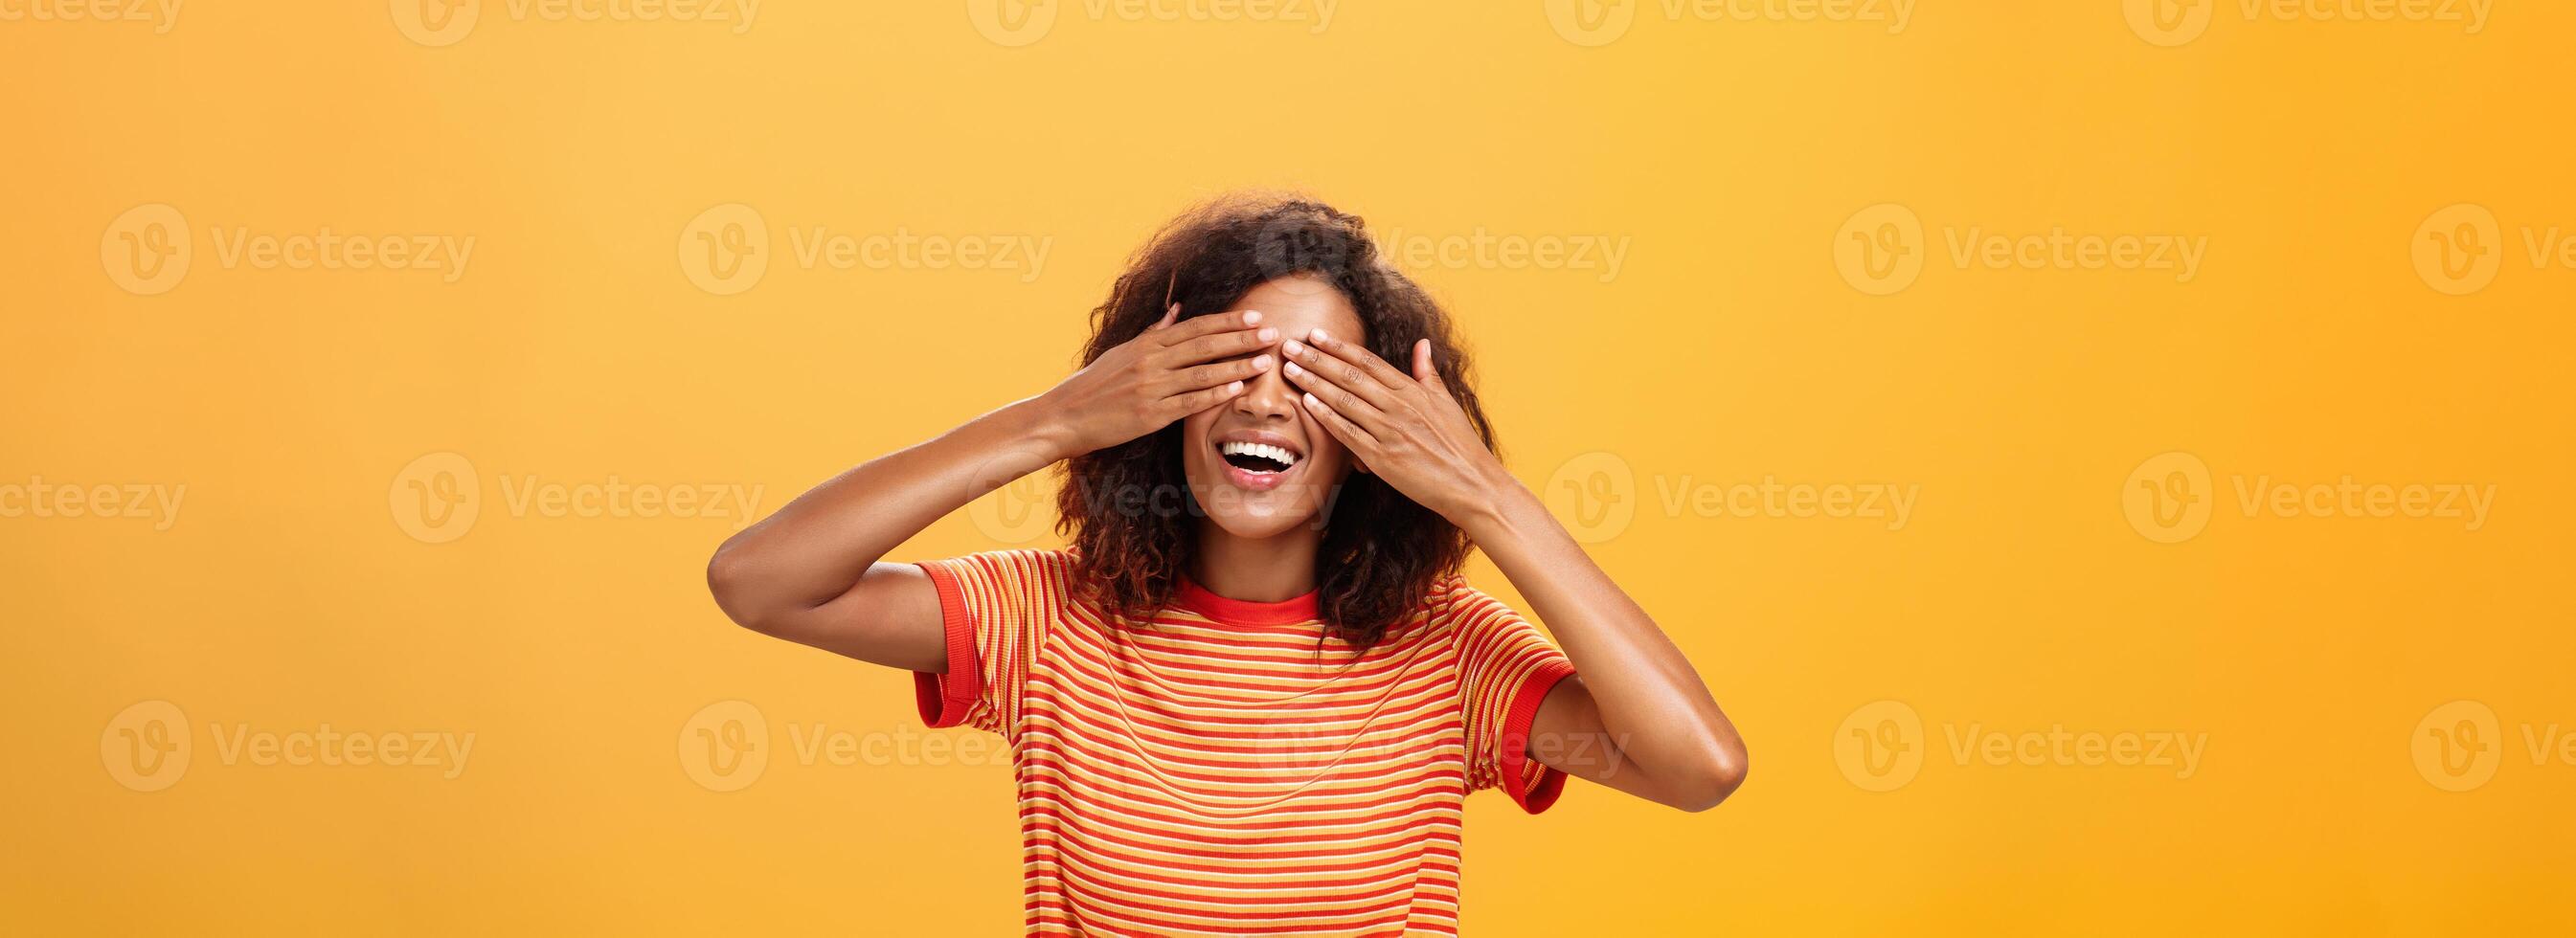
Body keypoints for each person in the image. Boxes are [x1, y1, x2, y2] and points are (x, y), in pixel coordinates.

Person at [707, 193, 1747, 935]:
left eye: (1310, 376)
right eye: (1228, 365)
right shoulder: (1045, 618)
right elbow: (760, 579)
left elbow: (1698, 766)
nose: (1261, 401)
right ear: (1157, 401)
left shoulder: (1449, 654)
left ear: (1375, 436)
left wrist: (1484, 493)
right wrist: (1056, 418)